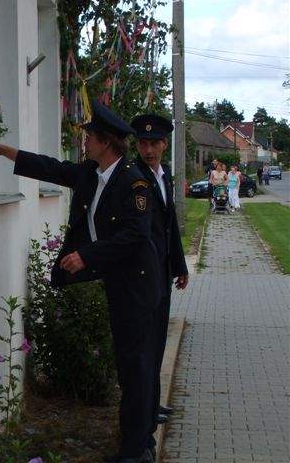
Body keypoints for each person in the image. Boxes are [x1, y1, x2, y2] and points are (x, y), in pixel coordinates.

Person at [0, 101, 160, 463]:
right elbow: (53, 168)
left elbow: (136, 235)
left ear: (107, 142)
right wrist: (7, 152)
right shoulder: (92, 173)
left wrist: (88, 255)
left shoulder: (134, 180)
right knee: (129, 365)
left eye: (89, 137)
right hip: (119, 280)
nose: (83, 142)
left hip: (137, 285)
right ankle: (139, 443)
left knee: (135, 368)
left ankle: (136, 450)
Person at [130, 115, 189, 441]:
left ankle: (153, 406)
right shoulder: (135, 177)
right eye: (143, 143)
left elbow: (169, 228)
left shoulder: (163, 177)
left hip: (162, 274)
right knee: (147, 346)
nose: (148, 149)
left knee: (157, 345)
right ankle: (147, 409)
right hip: (144, 277)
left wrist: (179, 266)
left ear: (165, 144)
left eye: (154, 143)